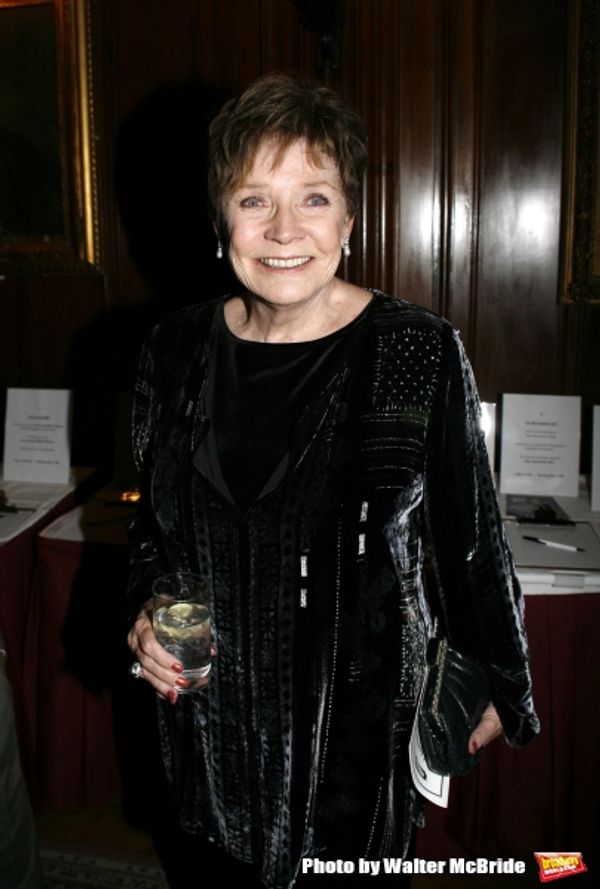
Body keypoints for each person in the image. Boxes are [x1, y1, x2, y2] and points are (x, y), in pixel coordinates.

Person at [126, 73, 539, 889]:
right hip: (209, 758)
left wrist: (502, 680)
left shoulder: (415, 351)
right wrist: (143, 615)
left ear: (349, 218)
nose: (284, 229)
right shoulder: (170, 352)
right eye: (254, 200)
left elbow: (473, 543)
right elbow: (152, 533)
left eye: (313, 198)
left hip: (352, 773)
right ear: (220, 221)